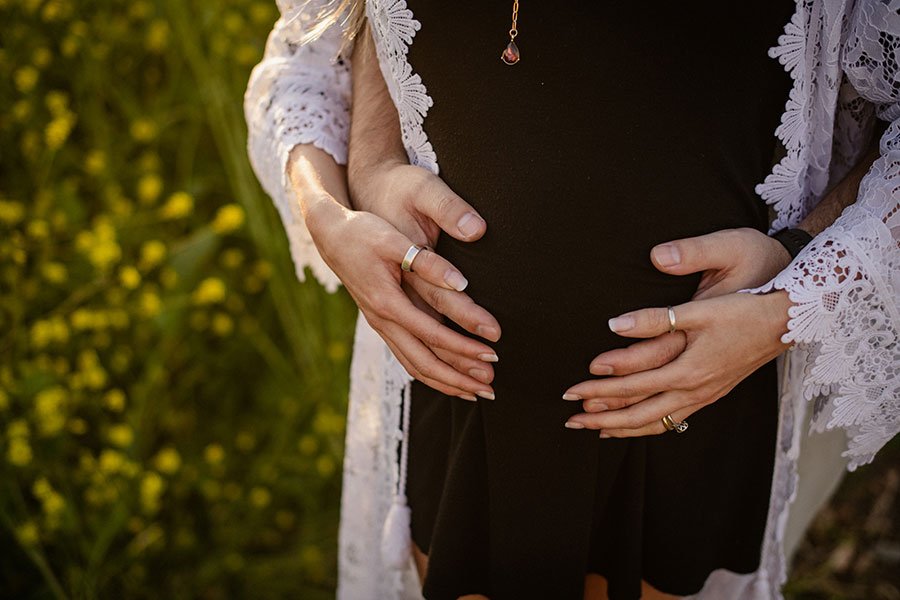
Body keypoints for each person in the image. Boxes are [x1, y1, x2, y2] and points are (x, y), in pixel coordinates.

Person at [243, 1, 900, 598]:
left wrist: (797, 279)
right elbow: (319, 47)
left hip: (692, 404)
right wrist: (343, 195)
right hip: (461, 402)